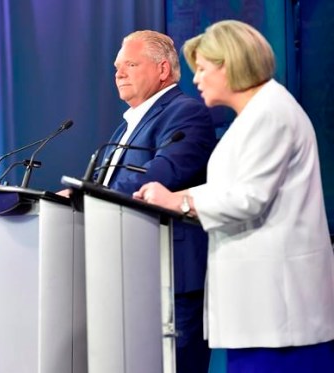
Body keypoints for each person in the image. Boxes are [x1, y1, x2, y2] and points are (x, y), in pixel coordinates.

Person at [133, 20, 334, 372]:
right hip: (260, 306)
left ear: (229, 65)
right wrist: (177, 194)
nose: (195, 79)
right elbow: (231, 187)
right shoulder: (255, 115)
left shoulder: (271, 115)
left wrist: (178, 201)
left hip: (279, 309)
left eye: (203, 69)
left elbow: (249, 197)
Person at [101, 30, 216, 373]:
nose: (118, 73)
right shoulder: (125, 128)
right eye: (117, 67)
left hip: (172, 274)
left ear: (162, 69)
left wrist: (86, 194)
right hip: (129, 273)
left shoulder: (185, 113)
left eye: (130, 65)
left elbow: (160, 174)